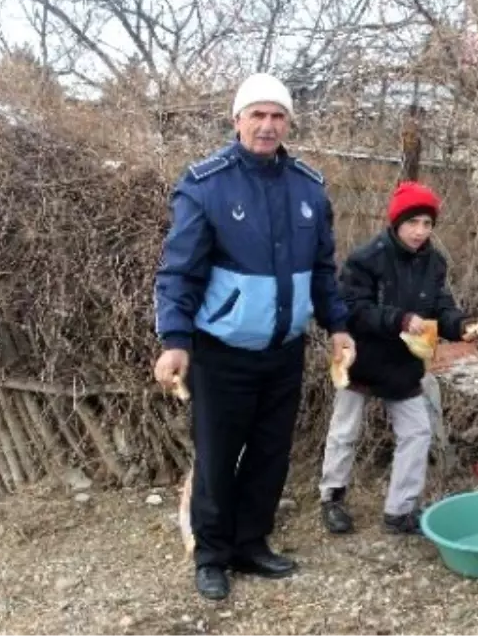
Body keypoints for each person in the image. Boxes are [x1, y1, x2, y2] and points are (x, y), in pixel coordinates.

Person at [152, 72, 355, 602]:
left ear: (288, 122)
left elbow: (322, 269)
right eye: (257, 115)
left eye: (277, 116)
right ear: (237, 119)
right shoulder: (206, 184)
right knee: (218, 457)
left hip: (283, 351)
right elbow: (180, 273)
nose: (267, 125)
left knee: (271, 453)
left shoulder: (309, 187)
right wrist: (175, 339)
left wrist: (337, 327)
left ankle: (251, 542)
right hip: (222, 353)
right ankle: (212, 554)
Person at [318, 181, 478, 535]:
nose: (420, 231)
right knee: (345, 431)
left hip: (403, 365)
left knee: (418, 432)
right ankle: (332, 498)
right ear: (396, 223)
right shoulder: (366, 257)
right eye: (413, 223)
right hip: (361, 356)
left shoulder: (434, 262)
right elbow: (353, 310)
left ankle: (400, 511)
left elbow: (441, 305)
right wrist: (399, 319)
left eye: (427, 223)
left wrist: (460, 324)